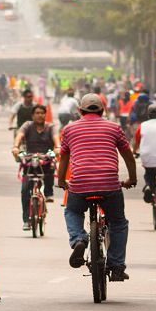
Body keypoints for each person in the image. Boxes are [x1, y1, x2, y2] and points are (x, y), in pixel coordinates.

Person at [57, 93, 136, 281]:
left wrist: (61, 181)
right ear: (103, 110)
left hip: (80, 184)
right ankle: (116, 266)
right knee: (118, 222)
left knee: (73, 212)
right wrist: (131, 179)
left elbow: (64, 159)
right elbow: (128, 155)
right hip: (109, 184)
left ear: (79, 111)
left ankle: (79, 240)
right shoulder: (114, 128)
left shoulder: (69, 130)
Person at [13, 104, 58, 230]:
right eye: (37, 113)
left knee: (51, 166)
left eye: (42, 113)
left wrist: (57, 148)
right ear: (33, 115)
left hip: (45, 160)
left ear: (45, 114)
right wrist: (16, 147)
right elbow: (19, 135)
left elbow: (56, 139)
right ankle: (26, 220)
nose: (40, 115)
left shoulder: (50, 127)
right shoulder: (27, 125)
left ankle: (49, 192)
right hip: (30, 161)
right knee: (24, 190)